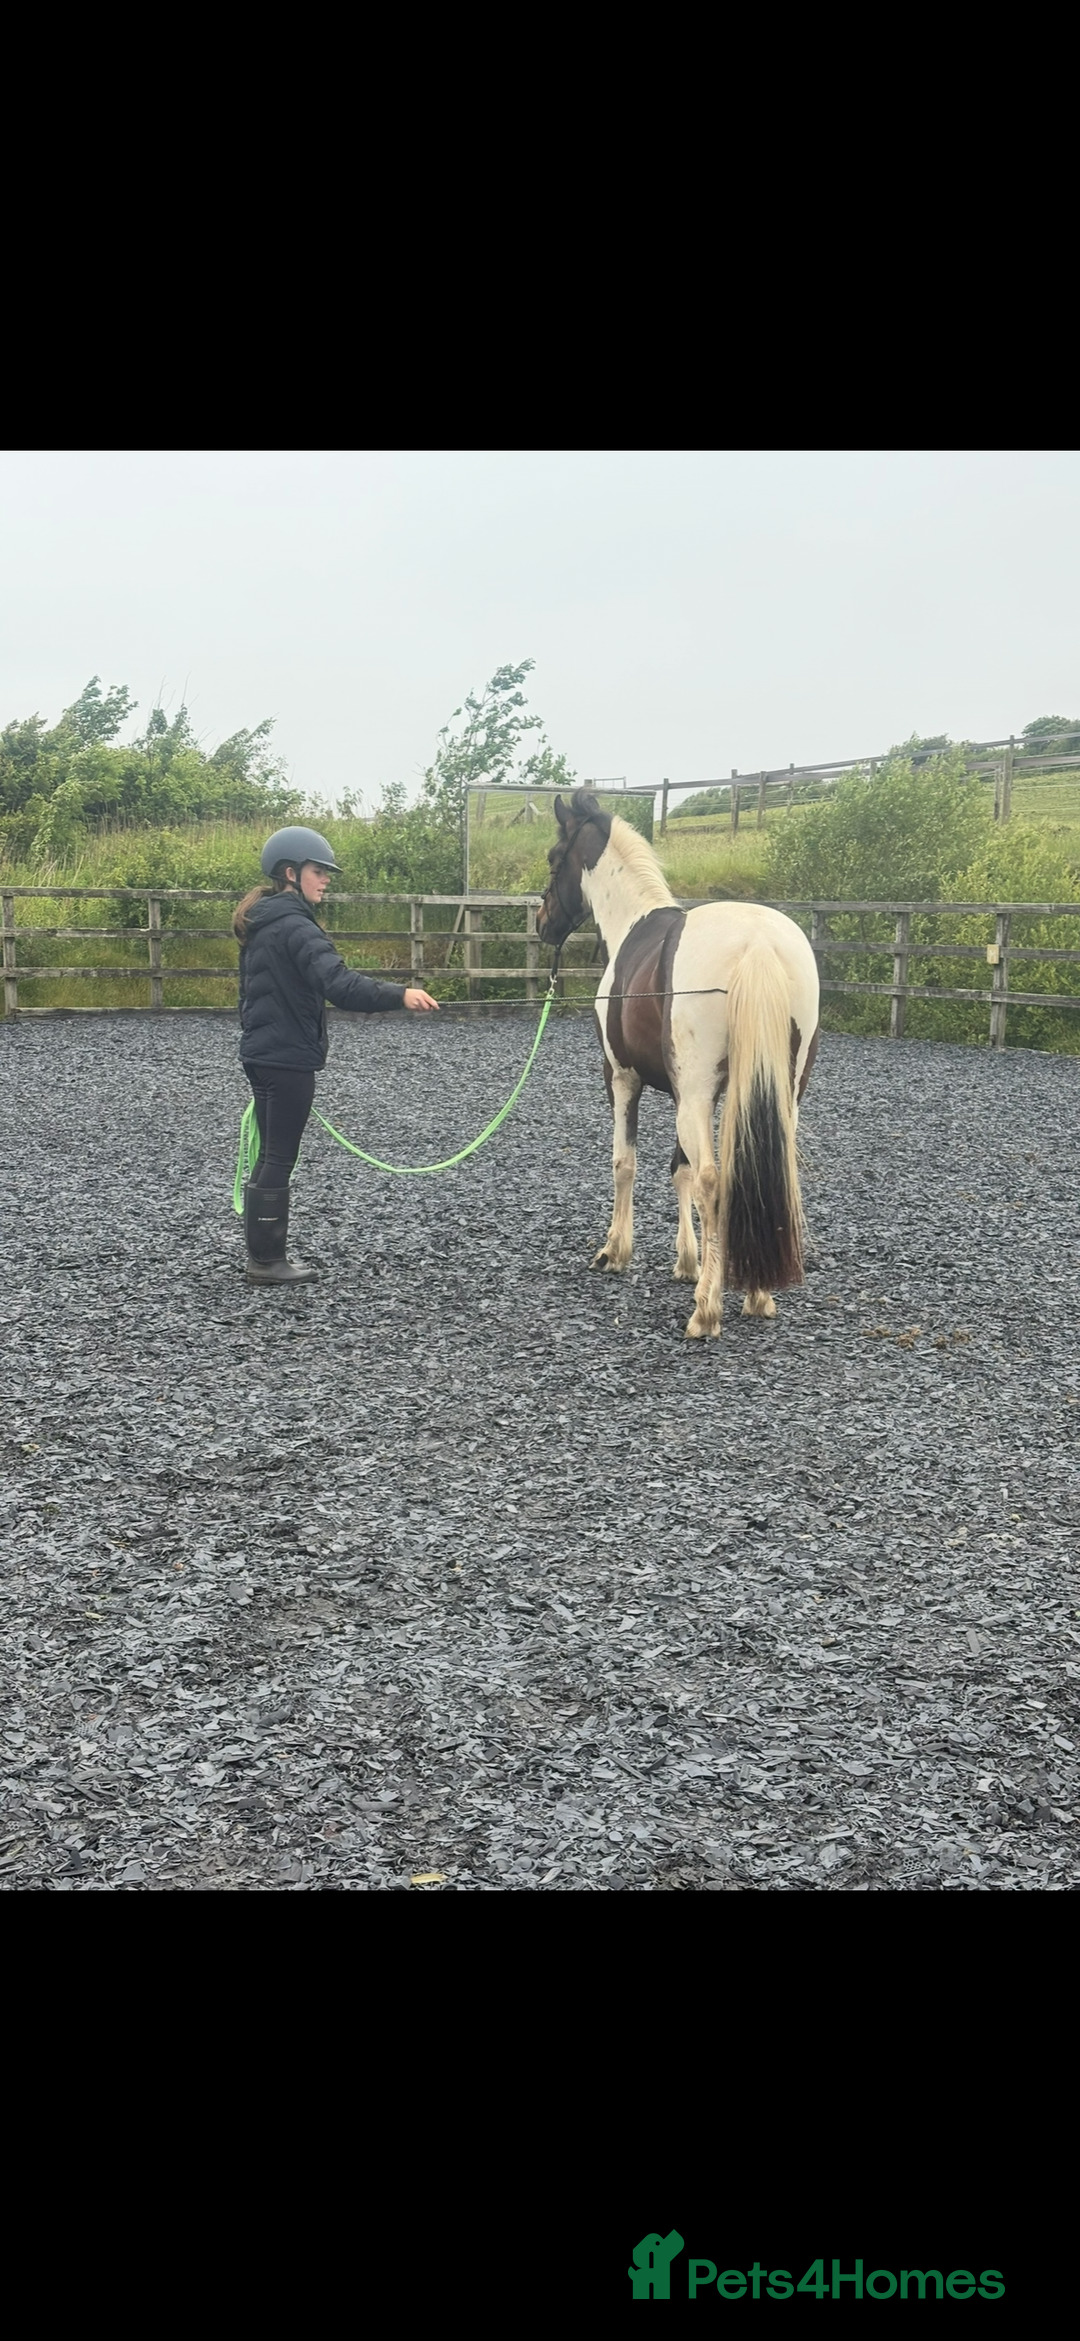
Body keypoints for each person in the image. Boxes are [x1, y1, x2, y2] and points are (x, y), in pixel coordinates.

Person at [234, 826, 438, 1284]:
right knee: (279, 1156)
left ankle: (262, 1256)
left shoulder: (263, 923)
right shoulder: (297, 927)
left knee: (269, 1153)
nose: (325, 879)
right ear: (291, 873)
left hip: (263, 1055)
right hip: (287, 1059)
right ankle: (267, 1262)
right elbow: (341, 985)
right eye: (318, 871)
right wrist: (400, 994)